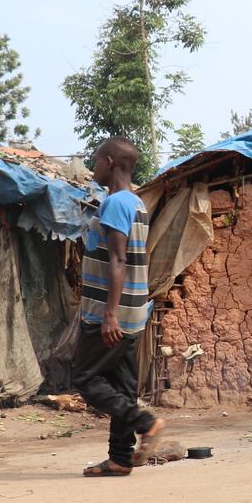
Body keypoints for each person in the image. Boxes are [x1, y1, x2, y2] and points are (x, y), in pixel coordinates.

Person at [74, 136, 164, 476]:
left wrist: (109, 314)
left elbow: (118, 259)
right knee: (122, 382)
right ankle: (120, 458)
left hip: (109, 312)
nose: (93, 167)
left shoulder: (114, 204)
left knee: (84, 377)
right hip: (135, 309)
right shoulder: (136, 203)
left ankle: (145, 421)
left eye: (97, 160)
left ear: (111, 162)